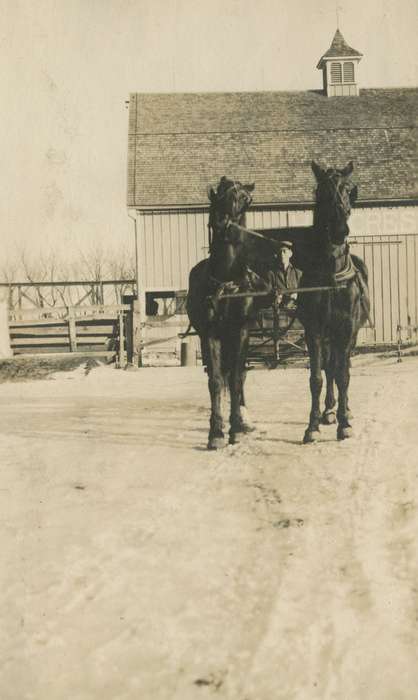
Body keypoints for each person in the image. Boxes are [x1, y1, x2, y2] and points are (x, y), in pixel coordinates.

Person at [268, 240, 302, 309]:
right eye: (280, 252)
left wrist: (296, 296)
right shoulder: (272, 274)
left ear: (290, 254)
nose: (282, 254)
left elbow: (303, 295)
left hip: (295, 312)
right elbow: (268, 295)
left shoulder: (298, 273)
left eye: (284, 251)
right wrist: (276, 298)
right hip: (278, 312)